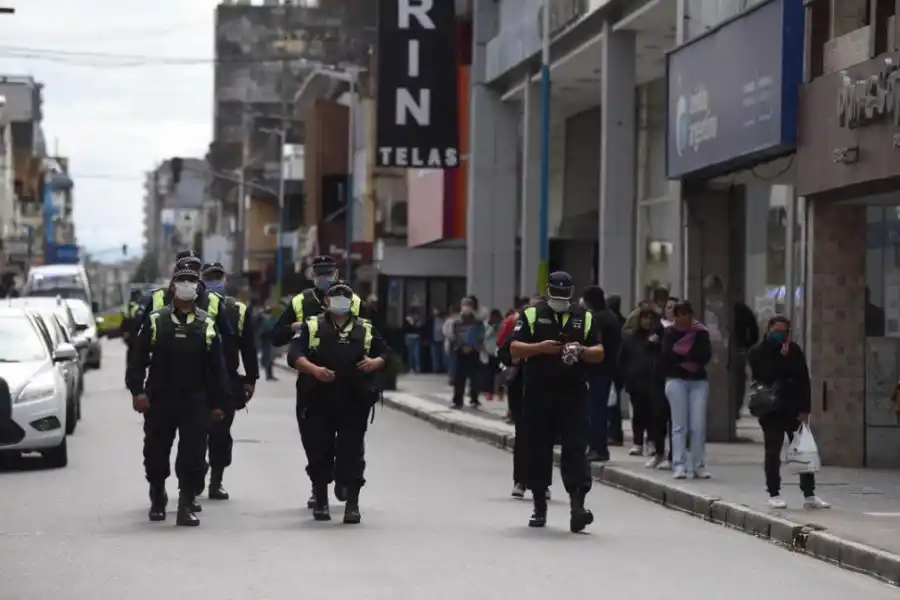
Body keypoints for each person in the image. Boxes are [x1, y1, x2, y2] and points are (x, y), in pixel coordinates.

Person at [125, 263, 231, 526]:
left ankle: (185, 504)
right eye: (181, 280)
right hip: (160, 396)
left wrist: (219, 402)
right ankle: (157, 496)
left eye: (191, 281)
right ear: (173, 287)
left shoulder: (207, 323)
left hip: (195, 398)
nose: (186, 285)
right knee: (156, 450)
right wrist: (137, 391)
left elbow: (217, 368)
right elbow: (137, 360)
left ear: (198, 288)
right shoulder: (156, 320)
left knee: (193, 453)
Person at [268, 255, 365, 510]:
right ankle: (318, 487)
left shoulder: (353, 301)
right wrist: (294, 327)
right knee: (315, 440)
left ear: (337, 273)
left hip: (349, 383)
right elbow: (276, 337)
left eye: (329, 272)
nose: (324, 277)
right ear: (313, 275)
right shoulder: (301, 302)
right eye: (320, 273)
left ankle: (346, 481)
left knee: (350, 441)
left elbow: (374, 338)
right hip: (313, 382)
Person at [510, 272, 605, 532]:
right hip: (539, 392)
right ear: (549, 291)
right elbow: (514, 348)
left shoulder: (584, 317)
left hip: (572, 393)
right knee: (538, 448)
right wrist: (540, 347)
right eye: (557, 293)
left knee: (576, 447)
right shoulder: (532, 315)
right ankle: (539, 506)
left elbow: (599, 352)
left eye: (565, 294)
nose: (561, 299)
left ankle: (577, 507)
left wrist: (581, 351)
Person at [287, 281, 387, 524]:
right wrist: (314, 370)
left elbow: (385, 353)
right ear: (326, 302)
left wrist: (375, 363)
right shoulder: (312, 326)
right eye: (335, 296)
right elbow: (294, 355)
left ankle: (352, 502)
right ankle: (321, 499)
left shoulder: (365, 328)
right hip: (318, 399)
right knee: (319, 451)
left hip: (354, 400)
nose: (341, 300)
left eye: (346, 296)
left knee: (351, 452)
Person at [748, 316, 829, 510]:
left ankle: (809, 494)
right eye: (777, 331)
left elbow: (802, 378)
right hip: (771, 409)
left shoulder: (794, 350)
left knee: (803, 450)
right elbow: (766, 375)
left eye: (784, 332)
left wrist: (805, 409)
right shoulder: (757, 352)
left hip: (793, 407)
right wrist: (782, 360)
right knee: (773, 452)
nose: (781, 336)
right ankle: (774, 492)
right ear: (768, 330)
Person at [199, 262, 259, 501]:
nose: (214, 281)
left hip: (226, 380)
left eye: (217, 277)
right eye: (209, 277)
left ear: (224, 280)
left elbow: (249, 347)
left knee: (220, 434)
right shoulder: (192, 305)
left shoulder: (238, 310)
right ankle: (195, 476)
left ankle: (216, 481)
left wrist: (251, 379)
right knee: (195, 433)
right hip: (196, 379)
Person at [660, 301, 712, 479]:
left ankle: (698, 465)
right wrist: (688, 356)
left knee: (698, 425)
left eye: (685, 314)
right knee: (679, 426)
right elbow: (667, 356)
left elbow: (704, 356)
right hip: (675, 381)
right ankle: (679, 464)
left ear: (691, 315)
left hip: (698, 382)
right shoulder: (669, 332)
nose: (682, 318)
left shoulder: (701, 332)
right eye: (678, 315)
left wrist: (682, 355)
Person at [580, 286, 621, 462]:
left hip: (597, 370)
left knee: (595, 411)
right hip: (607, 369)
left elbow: (594, 344)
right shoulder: (611, 317)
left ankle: (597, 448)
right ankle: (598, 446)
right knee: (600, 410)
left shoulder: (598, 319)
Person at [618, 307, 663, 457]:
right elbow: (623, 358)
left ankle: (652, 442)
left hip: (653, 380)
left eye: (650, 318)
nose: (647, 321)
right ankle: (638, 443)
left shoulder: (657, 338)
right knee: (638, 413)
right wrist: (625, 376)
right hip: (635, 381)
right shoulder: (630, 338)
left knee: (652, 413)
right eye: (645, 318)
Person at [449, 296, 485, 408]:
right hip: (460, 352)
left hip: (473, 351)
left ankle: (474, 399)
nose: (466, 308)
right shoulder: (456, 321)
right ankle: (457, 401)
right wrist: (461, 346)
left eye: (468, 306)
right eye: (464, 305)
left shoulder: (477, 322)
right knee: (459, 378)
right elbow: (454, 336)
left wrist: (473, 346)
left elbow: (481, 335)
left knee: (475, 377)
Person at [606, 294, 627, 445]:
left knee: (610, 403)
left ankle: (613, 432)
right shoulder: (623, 323)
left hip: (611, 367)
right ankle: (615, 432)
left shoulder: (611, 322)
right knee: (614, 401)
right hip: (620, 368)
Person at [402, 308, 422, 373]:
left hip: (417, 338)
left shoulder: (418, 321)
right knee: (411, 354)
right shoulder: (407, 320)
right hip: (409, 338)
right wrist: (412, 323)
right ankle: (411, 368)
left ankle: (417, 366)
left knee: (417, 353)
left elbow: (420, 330)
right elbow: (405, 329)